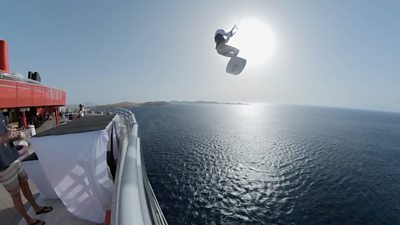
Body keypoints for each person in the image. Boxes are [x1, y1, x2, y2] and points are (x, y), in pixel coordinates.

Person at [0, 114, 52, 225]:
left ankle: (36, 208)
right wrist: (6, 137)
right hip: (3, 165)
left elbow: (6, 134)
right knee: (16, 195)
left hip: (13, 156)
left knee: (25, 184)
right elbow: (4, 136)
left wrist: (16, 135)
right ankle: (29, 220)